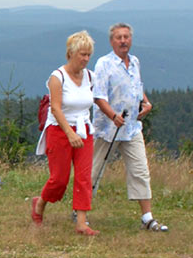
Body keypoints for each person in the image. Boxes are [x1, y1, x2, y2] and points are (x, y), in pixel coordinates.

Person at [91, 22, 168, 232]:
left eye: (126, 37)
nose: (123, 41)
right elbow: (98, 96)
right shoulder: (103, 64)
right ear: (111, 41)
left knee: (140, 170)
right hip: (107, 129)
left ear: (131, 39)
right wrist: (112, 115)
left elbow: (137, 86)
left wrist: (146, 102)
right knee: (94, 170)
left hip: (132, 127)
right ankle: (80, 211)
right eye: (119, 37)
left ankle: (147, 217)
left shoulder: (134, 62)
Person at [32, 31, 98, 235]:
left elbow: (94, 101)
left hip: (84, 130)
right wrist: (69, 133)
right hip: (59, 130)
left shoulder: (90, 76)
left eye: (88, 55)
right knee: (59, 179)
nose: (86, 59)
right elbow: (56, 109)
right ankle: (40, 203)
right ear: (70, 53)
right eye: (82, 55)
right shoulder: (57, 77)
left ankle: (81, 222)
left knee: (84, 177)